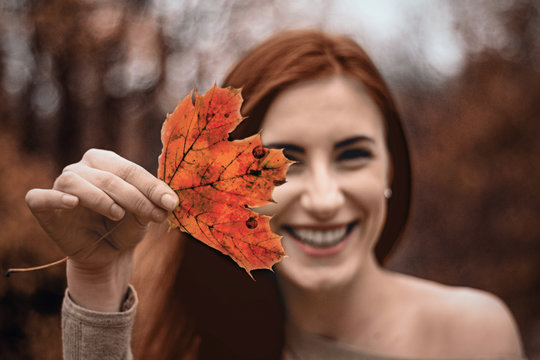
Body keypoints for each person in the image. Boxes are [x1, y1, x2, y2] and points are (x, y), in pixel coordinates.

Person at [25, 30, 525, 360]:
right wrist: (96, 283)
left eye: (354, 155)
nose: (326, 199)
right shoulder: (181, 337)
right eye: (286, 162)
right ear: (229, 184)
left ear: (391, 170)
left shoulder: (472, 336)